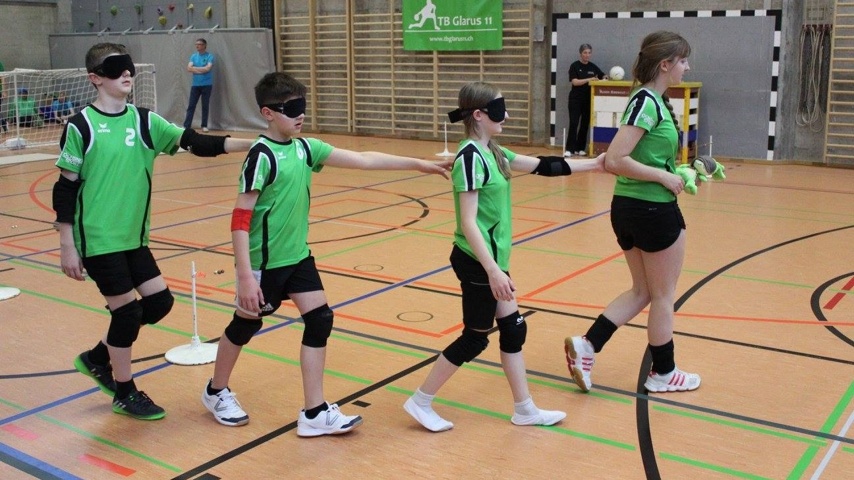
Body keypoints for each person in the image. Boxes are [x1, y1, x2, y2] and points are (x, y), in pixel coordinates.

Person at [200, 72, 452, 435]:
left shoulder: (305, 149)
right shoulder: (260, 156)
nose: (300, 114)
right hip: (263, 263)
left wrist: (418, 164)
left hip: (297, 257)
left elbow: (363, 159)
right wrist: (244, 276)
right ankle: (216, 391)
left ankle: (314, 412)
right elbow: (241, 218)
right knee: (245, 325)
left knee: (320, 320)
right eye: (291, 108)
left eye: (302, 106)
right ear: (268, 113)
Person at [54, 43, 253, 420]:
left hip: (134, 238)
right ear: (95, 78)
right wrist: (67, 243)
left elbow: (195, 142)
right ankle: (124, 391)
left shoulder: (144, 121)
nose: (126, 74)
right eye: (115, 69)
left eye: (128, 67)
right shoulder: (81, 126)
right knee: (127, 314)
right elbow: (65, 187)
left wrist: (252, 143)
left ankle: (98, 357)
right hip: (97, 238)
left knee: (159, 303)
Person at [403, 81, 606, 432]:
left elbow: (544, 166)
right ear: (478, 115)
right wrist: (493, 271)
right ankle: (420, 401)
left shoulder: (493, 151)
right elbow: (468, 223)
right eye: (499, 110)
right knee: (475, 337)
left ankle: (525, 409)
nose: (507, 115)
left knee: (513, 330)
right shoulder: (470, 157)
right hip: (478, 261)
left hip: (493, 261)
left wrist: (595, 165)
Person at [564, 31, 701, 395]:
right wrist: (663, 177)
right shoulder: (646, 101)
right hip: (650, 210)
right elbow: (615, 159)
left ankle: (588, 345)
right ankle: (664, 372)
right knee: (663, 296)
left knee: (642, 291)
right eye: (683, 60)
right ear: (665, 65)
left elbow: (645, 157)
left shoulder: (653, 101)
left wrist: (681, 172)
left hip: (632, 208)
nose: (687, 67)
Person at [565, 43, 606, 158]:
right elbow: (575, 82)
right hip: (575, 99)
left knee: (585, 124)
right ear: (580, 53)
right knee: (574, 123)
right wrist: (590, 79)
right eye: (585, 53)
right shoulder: (574, 66)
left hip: (588, 100)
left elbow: (603, 75)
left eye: (589, 53)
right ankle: (570, 149)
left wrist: (605, 78)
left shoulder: (593, 67)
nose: (587, 55)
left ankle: (580, 148)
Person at [183, 38, 214, 132]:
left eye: (199, 44)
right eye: (196, 44)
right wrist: (202, 69)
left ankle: (204, 125)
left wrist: (195, 69)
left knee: (205, 105)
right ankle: (186, 126)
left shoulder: (210, 56)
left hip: (207, 85)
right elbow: (189, 68)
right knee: (191, 105)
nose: (197, 46)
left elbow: (208, 69)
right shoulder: (193, 56)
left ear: (204, 45)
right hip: (195, 85)